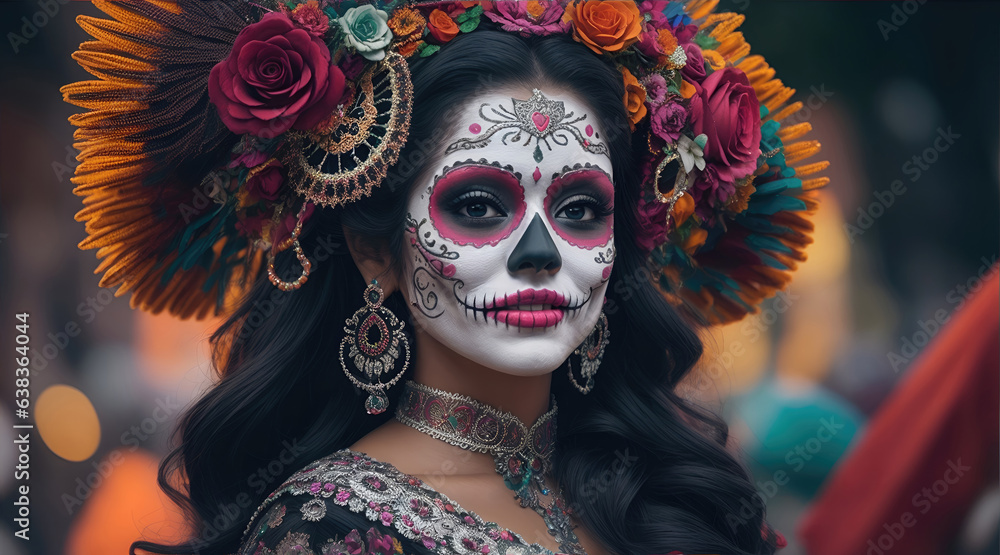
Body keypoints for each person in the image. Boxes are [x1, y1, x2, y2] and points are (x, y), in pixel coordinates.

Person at [61, 1, 827, 553]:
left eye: (582, 208)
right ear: (375, 253)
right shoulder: (326, 529)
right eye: (480, 203)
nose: (540, 251)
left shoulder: (670, 495)